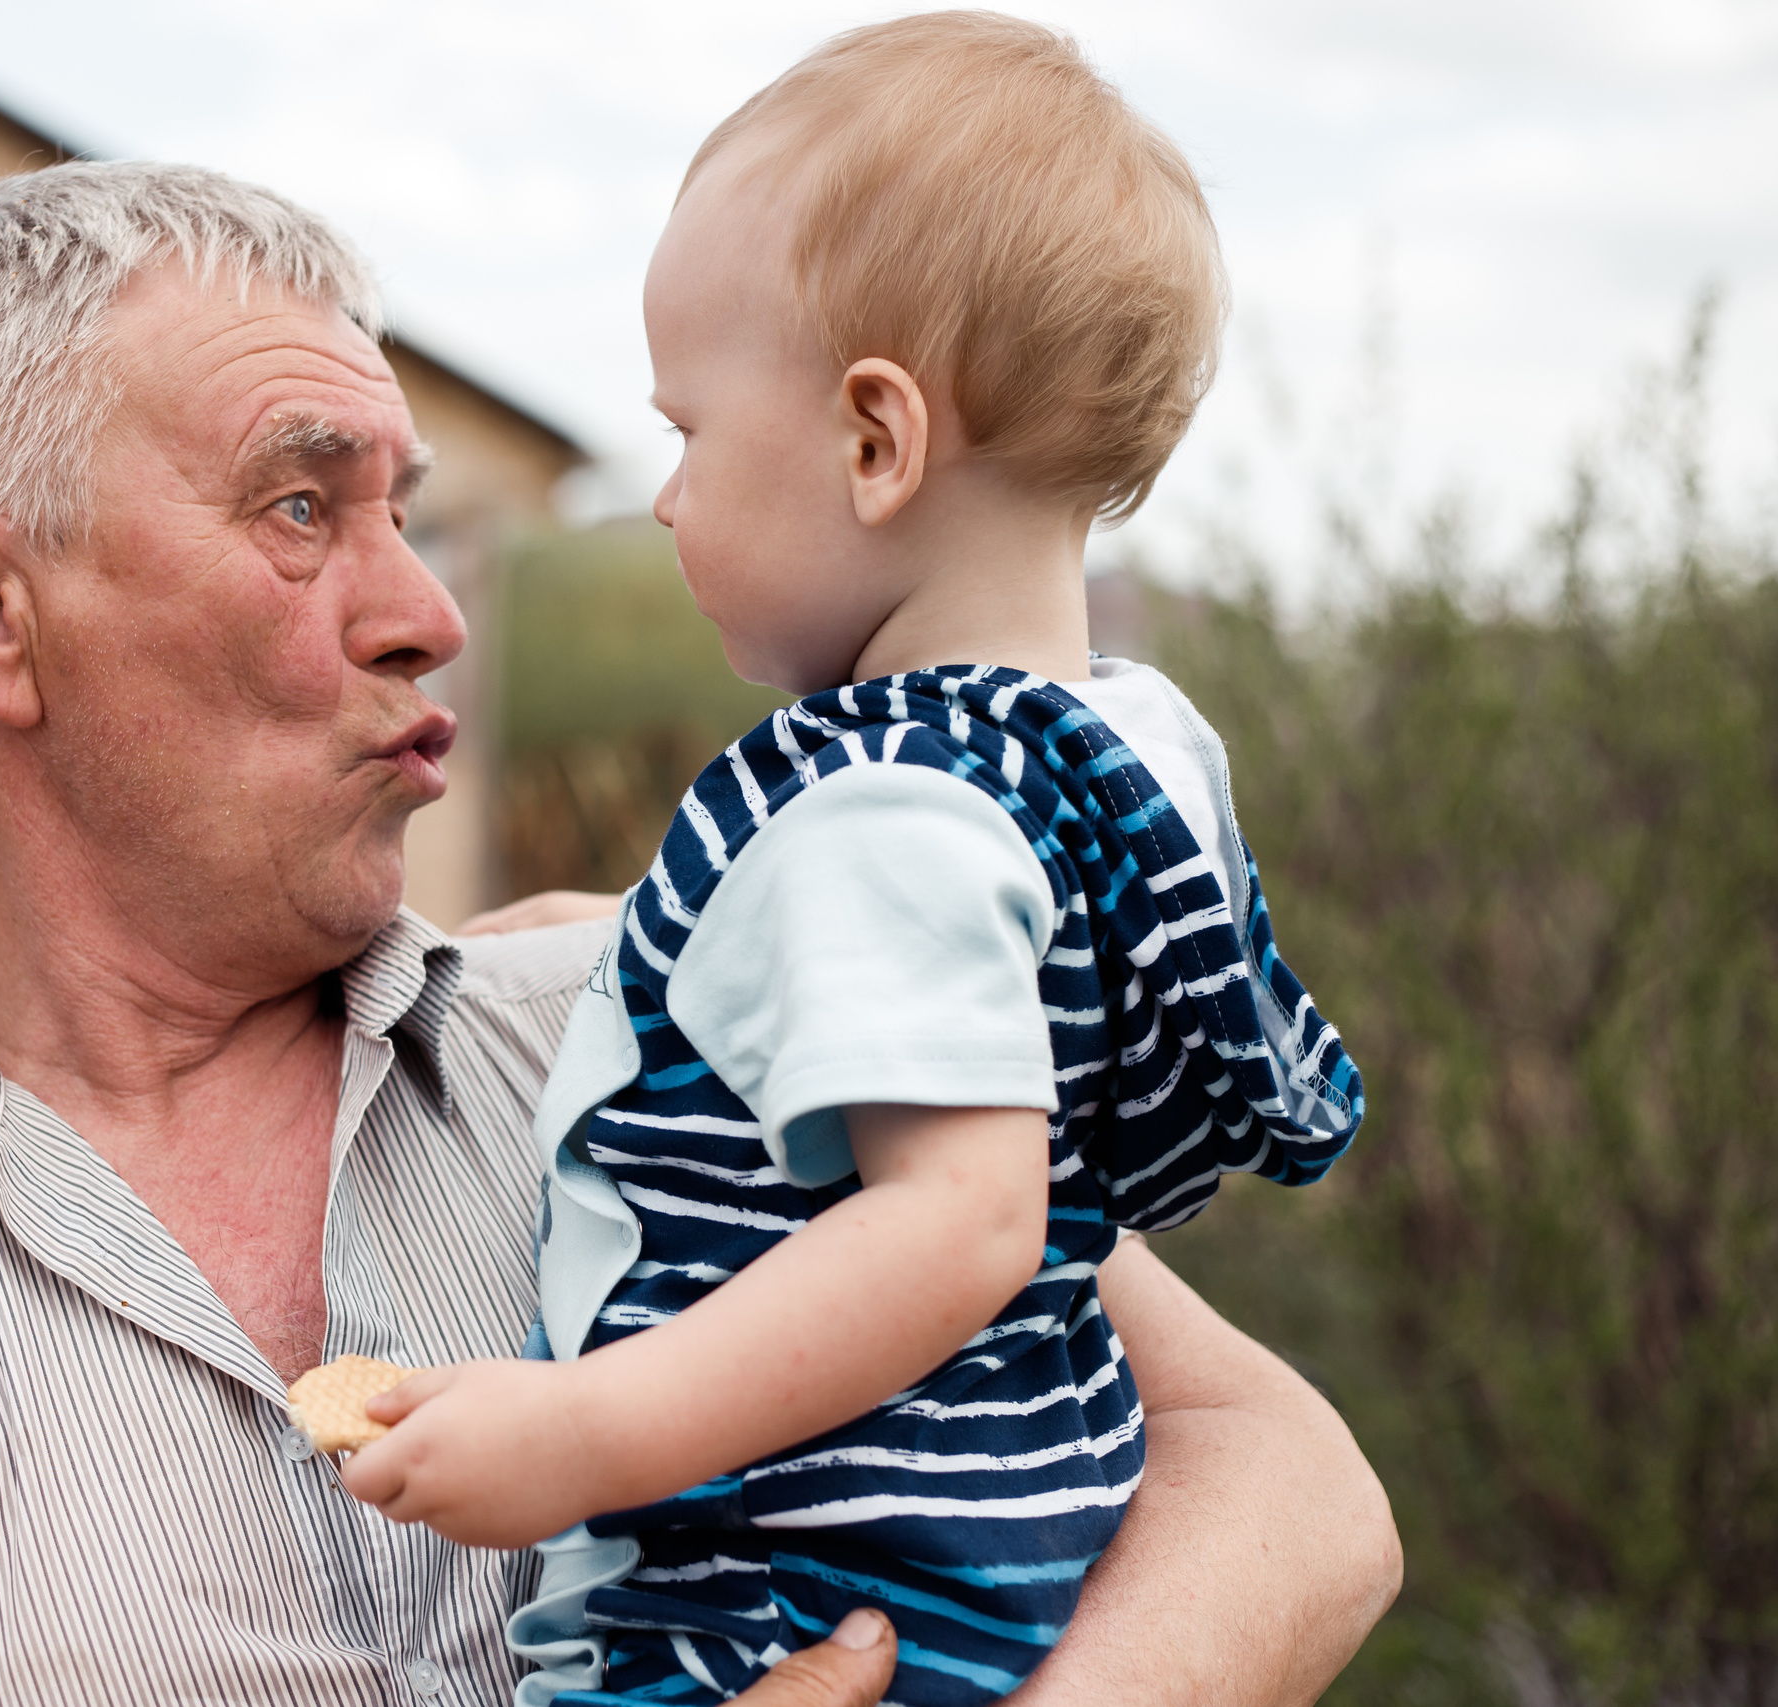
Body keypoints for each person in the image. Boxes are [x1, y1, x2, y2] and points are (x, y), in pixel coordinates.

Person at [0, 160, 1398, 1707]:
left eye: (414, 515)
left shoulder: (652, 1015)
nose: (425, 614)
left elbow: (1285, 1477)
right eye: (302, 505)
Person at [337, 17, 1367, 1705]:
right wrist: (678, 939)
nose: (665, 498)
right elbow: (975, 996)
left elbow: (959, 1224)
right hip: (1007, 1538)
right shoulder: (1121, 748)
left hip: (776, 1584)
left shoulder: (880, 809)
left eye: (687, 433)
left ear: (876, 442)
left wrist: (582, 1433)